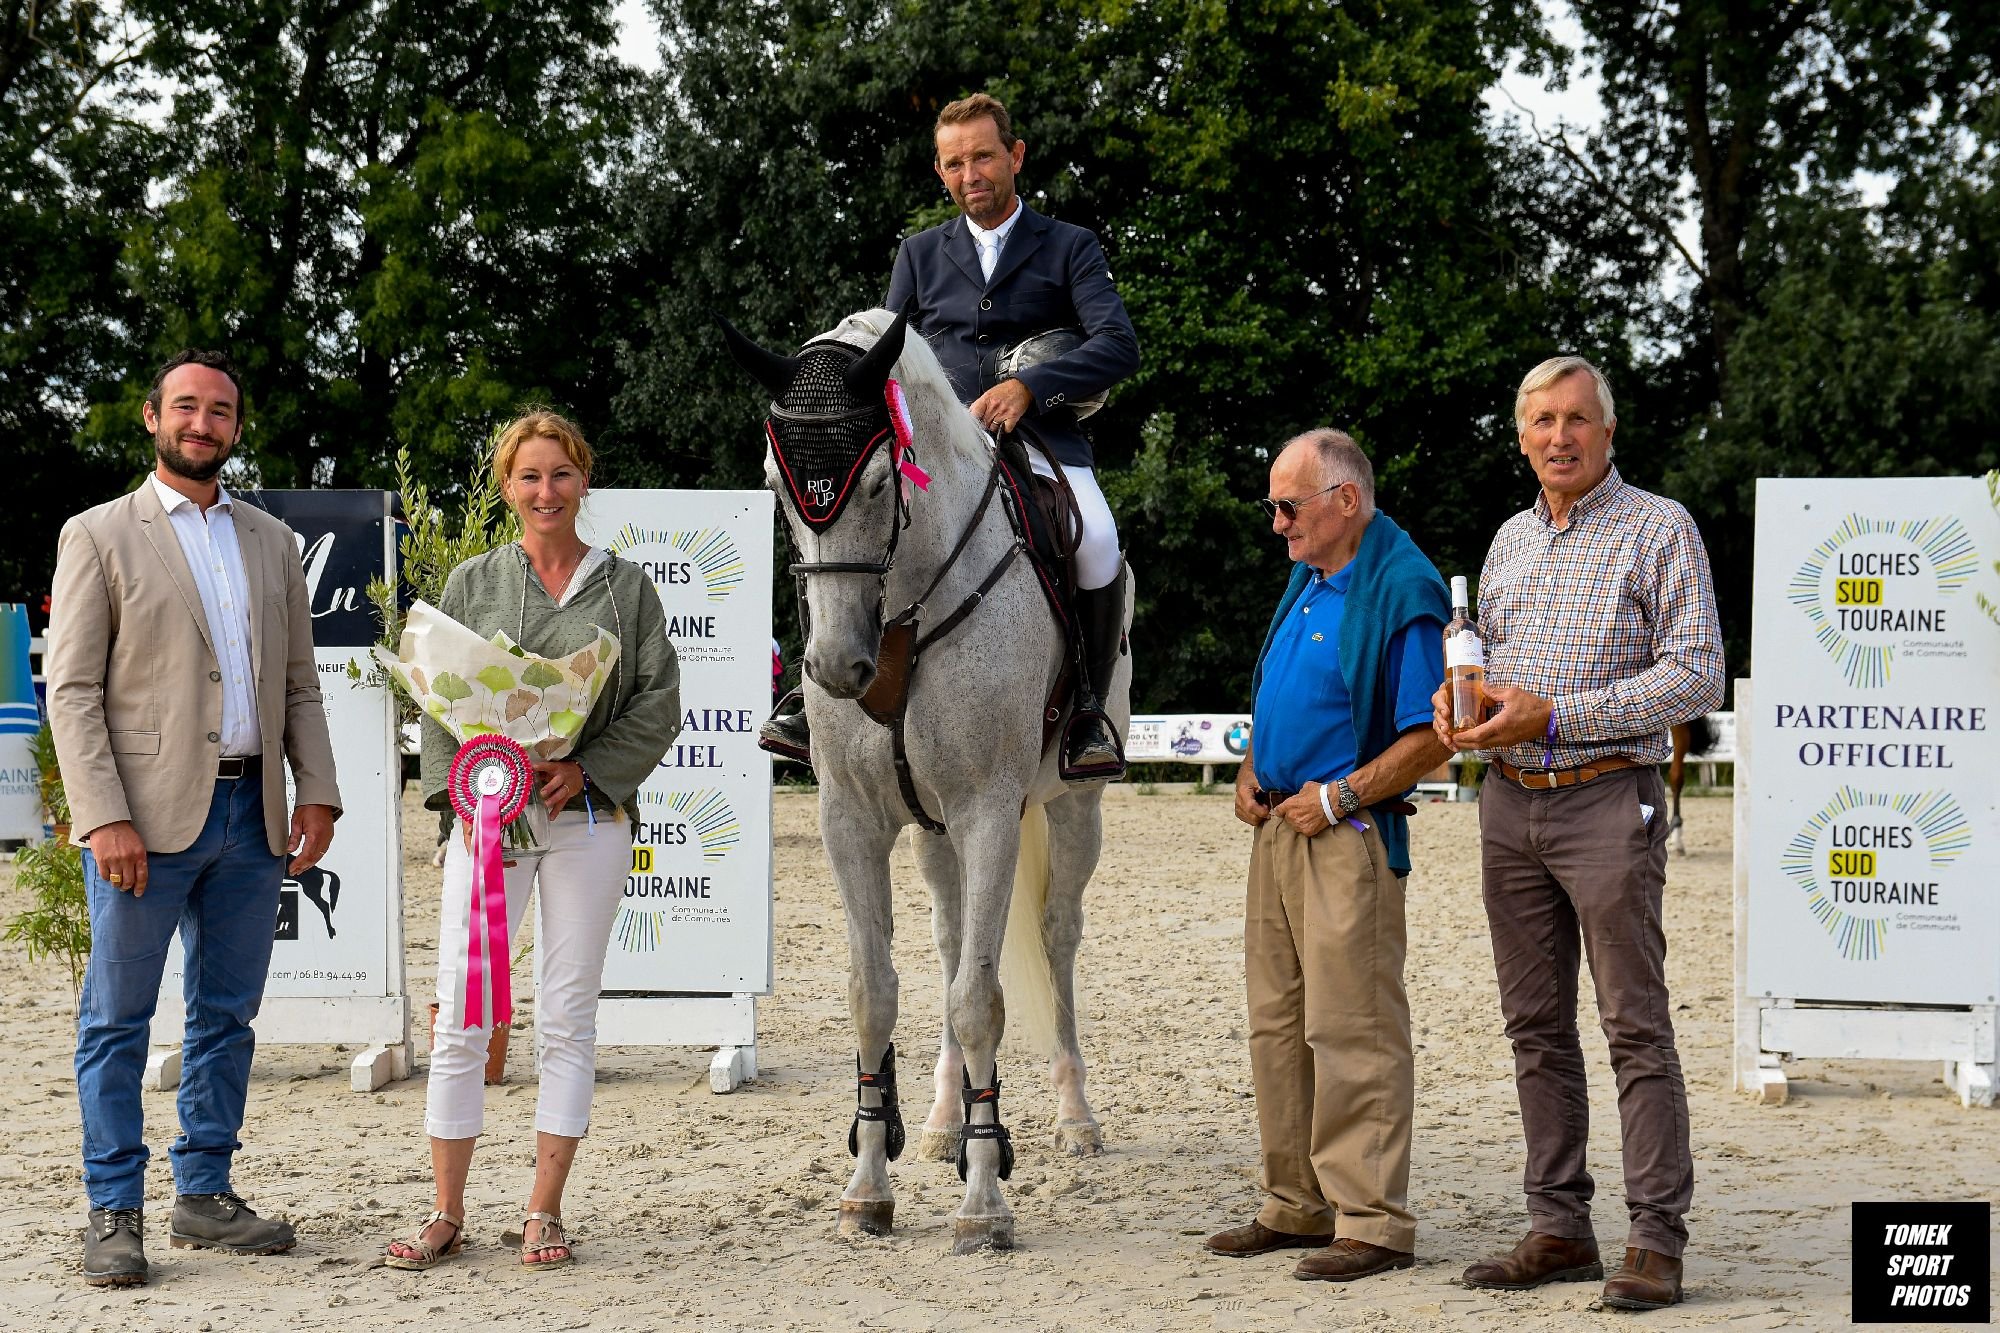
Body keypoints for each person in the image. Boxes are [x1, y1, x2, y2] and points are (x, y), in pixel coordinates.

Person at [47, 349, 342, 1287]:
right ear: (152, 417)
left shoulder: (270, 542)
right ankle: (113, 1211)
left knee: (226, 1015)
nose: (202, 423)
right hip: (142, 822)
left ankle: (203, 1194)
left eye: (219, 410)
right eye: (186, 407)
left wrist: (319, 789)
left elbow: (298, 682)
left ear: (236, 427)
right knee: (116, 1021)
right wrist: (102, 817)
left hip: (251, 816)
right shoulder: (98, 534)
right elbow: (74, 691)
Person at [1435, 356, 1723, 1312]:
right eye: (1541, 421)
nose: (1559, 436)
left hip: (1608, 796)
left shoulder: (1661, 526)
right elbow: (1497, 667)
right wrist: (1461, 704)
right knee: (1535, 1028)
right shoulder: (1512, 539)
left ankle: (1655, 1240)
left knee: (1634, 1024)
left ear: (1609, 432)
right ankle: (1558, 1225)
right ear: (1521, 437)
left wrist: (1554, 714)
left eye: (1576, 420)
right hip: (1510, 802)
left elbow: (1696, 678)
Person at [760, 90, 1141, 778]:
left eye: (984, 157)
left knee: (1100, 541)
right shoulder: (919, 253)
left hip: (1041, 440)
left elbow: (1118, 344)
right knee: (842, 520)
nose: (972, 174)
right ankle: (807, 693)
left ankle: (1087, 710)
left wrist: (1030, 387)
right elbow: (880, 346)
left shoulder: (1069, 246)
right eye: (955, 162)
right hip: (937, 447)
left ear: (1015, 156)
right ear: (941, 171)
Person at [385, 410, 681, 1274]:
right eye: (528, 477)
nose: (544, 491)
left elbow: (657, 701)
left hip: (587, 821)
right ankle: (445, 1210)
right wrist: (467, 791)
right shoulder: (474, 582)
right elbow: (436, 704)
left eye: (560, 474)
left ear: (583, 480)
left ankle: (543, 1210)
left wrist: (584, 770)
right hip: (489, 818)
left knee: (566, 1014)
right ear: (505, 487)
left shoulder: (627, 590)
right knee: (459, 1017)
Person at [1204, 430, 1450, 1283]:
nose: (1277, 524)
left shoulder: (1402, 588)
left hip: (1344, 834)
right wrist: (1248, 770)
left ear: (1346, 499)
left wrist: (1341, 795)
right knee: (1279, 1024)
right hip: (1279, 828)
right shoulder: (1310, 579)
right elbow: (1277, 695)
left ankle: (1374, 1219)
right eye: (1274, 506)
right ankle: (1297, 1202)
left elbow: (1431, 737)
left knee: (1353, 1025)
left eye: (1288, 505)